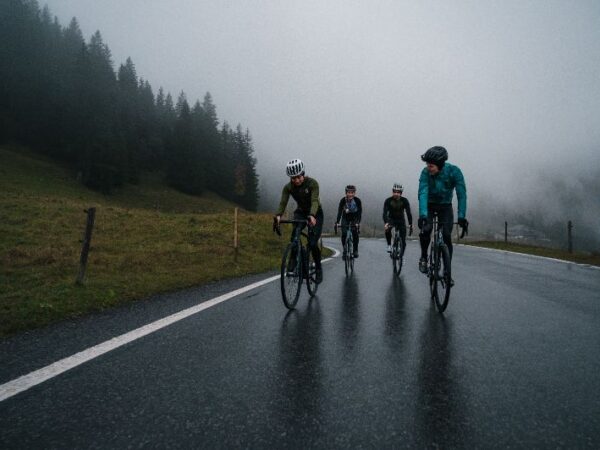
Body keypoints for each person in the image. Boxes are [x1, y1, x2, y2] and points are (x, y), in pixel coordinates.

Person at [417, 146, 468, 278]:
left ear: (440, 165)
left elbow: (461, 195)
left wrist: (461, 216)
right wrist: (423, 215)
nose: (428, 167)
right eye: (427, 164)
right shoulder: (425, 173)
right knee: (426, 229)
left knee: (446, 235)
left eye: (431, 165)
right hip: (429, 205)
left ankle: (447, 271)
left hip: (445, 206)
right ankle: (423, 257)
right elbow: (423, 192)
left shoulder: (454, 172)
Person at [275, 159, 324, 283]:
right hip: (301, 212)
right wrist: (278, 215)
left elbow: (314, 201)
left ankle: (318, 268)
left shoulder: (312, 183)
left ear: (303, 173)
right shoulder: (288, 187)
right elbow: (283, 202)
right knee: (294, 236)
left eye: (298, 177)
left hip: (316, 212)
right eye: (293, 178)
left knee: (312, 243)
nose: (296, 180)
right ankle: (292, 261)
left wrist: (312, 215)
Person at [382, 183, 413, 258]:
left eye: (398, 192)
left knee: (403, 240)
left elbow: (408, 212)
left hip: (401, 220)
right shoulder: (388, 200)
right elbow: (384, 213)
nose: (396, 194)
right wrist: (386, 223)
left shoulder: (404, 200)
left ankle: (400, 256)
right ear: (392, 192)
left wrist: (410, 224)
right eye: (394, 192)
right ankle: (389, 245)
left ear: (401, 193)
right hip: (391, 219)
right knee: (387, 229)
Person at [335, 185, 362, 259]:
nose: (350, 194)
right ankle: (344, 249)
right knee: (344, 234)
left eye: (352, 192)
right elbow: (339, 211)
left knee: (355, 233)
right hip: (345, 218)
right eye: (348, 192)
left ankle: (355, 250)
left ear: (354, 193)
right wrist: (337, 222)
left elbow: (359, 213)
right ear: (346, 193)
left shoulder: (357, 201)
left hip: (354, 218)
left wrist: (357, 222)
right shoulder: (343, 200)